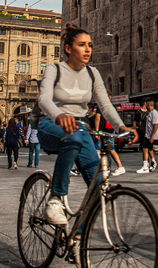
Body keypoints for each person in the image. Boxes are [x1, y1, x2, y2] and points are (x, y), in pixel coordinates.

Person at [35, 24, 136, 225]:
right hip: (51, 124)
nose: (88, 49)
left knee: (98, 190)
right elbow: (44, 99)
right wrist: (59, 115)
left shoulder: (92, 73)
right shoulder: (54, 70)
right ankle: (55, 199)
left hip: (81, 128)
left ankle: (78, 239)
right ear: (68, 48)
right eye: (82, 45)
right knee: (72, 137)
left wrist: (120, 127)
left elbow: (105, 104)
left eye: (90, 45)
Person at [136, 101, 158, 173]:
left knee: (157, 151)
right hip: (148, 135)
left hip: (154, 136)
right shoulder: (150, 113)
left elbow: (156, 124)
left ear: (149, 105)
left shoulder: (154, 113)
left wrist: (152, 136)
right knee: (145, 149)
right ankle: (145, 167)